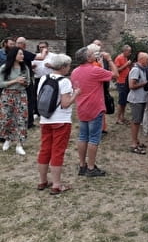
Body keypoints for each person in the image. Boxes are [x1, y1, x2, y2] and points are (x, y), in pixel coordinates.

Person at [36, 54, 81, 194]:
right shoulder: (64, 82)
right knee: (57, 151)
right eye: (68, 66)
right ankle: (56, 185)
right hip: (61, 120)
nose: (69, 68)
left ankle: (42, 181)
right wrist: (76, 94)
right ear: (63, 67)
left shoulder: (44, 78)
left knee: (45, 149)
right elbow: (65, 104)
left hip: (45, 119)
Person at [71, 47, 118, 177]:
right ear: (88, 58)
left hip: (81, 107)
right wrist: (109, 59)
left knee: (82, 137)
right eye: (92, 54)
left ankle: (82, 165)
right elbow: (115, 75)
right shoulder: (94, 70)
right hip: (95, 107)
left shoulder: (74, 71)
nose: (94, 55)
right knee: (93, 138)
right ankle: (91, 168)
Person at [0, 47, 30, 155]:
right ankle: (8, 139)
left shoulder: (24, 68)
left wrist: (24, 83)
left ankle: (19, 144)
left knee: (21, 119)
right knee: (5, 118)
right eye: (20, 54)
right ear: (14, 55)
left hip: (21, 95)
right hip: (7, 95)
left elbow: (28, 83)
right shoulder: (4, 68)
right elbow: (1, 83)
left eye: (22, 54)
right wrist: (15, 80)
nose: (22, 56)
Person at [127, 52, 148, 154]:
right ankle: (133, 144)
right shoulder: (136, 70)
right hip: (136, 99)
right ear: (141, 59)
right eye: (146, 59)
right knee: (136, 122)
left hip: (141, 98)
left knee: (138, 121)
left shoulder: (142, 69)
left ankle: (136, 140)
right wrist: (144, 83)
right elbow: (131, 85)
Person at [15, 37, 38, 128]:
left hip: (19, 81)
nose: (22, 56)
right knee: (29, 101)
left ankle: (23, 122)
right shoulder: (23, 52)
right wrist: (44, 51)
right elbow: (40, 57)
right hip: (23, 82)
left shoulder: (11, 53)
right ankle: (28, 123)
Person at [114, 45, 132, 125]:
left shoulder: (125, 58)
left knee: (124, 102)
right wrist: (126, 65)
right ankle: (118, 119)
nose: (130, 53)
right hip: (121, 82)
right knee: (121, 102)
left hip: (126, 82)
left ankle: (122, 117)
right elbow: (116, 70)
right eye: (129, 51)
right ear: (124, 51)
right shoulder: (119, 58)